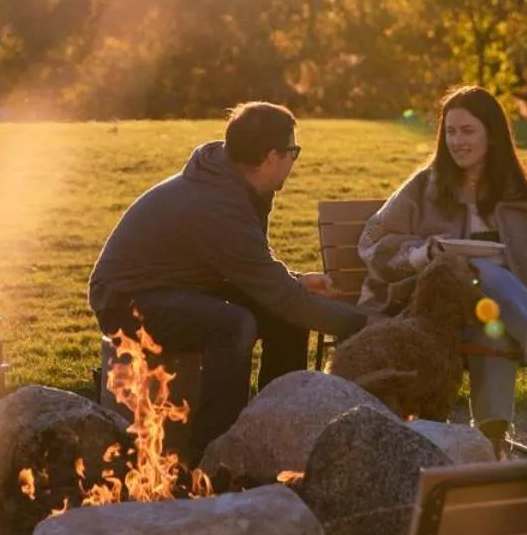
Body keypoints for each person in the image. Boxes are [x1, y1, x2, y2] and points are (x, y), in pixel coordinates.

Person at [87, 102, 367, 464]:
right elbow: (280, 295)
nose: (295, 161)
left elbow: (251, 269)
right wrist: (364, 325)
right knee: (234, 325)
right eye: (293, 151)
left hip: (182, 287)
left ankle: (277, 425)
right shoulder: (218, 202)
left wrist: (296, 281)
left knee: (283, 317)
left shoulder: (238, 183)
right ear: (271, 156)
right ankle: (215, 450)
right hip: (127, 301)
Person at [357, 85, 527, 455]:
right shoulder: (424, 185)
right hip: (430, 310)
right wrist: (426, 252)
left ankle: (493, 444)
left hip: (493, 314)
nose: (457, 141)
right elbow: (373, 241)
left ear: (493, 134)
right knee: (471, 268)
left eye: (467, 131)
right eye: (451, 132)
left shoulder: (523, 194)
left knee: (494, 328)